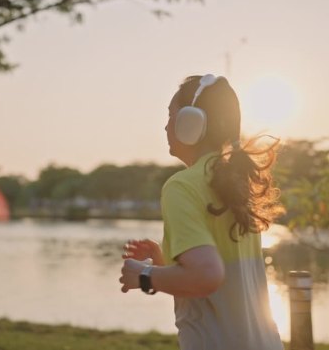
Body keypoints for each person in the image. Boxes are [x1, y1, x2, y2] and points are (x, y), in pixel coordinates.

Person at [118, 74, 285, 350]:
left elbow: (207, 275)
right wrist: (163, 262)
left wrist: (145, 276)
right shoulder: (234, 184)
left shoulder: (181, 187)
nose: (165, 126)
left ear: (190, 123)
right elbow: (214, 286)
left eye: (171, 116)